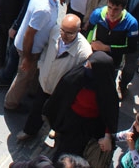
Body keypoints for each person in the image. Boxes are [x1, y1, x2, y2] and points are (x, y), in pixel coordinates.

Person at [16, 13, 91, 142]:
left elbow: (78, 77)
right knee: (37, 108)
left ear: (78, 31)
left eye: (69, 33)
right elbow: (46, 49)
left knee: (58, 113)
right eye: (63, 30)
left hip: (61, 90)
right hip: (45, 81)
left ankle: (55, 130)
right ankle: (29, 131)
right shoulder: (55, 31)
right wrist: (41, 65)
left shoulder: (84, 52)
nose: (64, 35)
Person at [1, 0, 70, 111]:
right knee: (23, 77)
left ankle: (32, 92)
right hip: (29, 48)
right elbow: (29, 34)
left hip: (34, 46)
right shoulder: (44, 9)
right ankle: (11, 103)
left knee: (31, 73)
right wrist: (27, 57)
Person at [45, 52, 119, 158]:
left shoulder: (107, 91)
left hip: (90, 127)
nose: (86, 66)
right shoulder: (78, 75)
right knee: (64, 149)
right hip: (70, 119)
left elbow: (110, 115)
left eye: (90, 65)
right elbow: (61, 94)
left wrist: (108, 136)